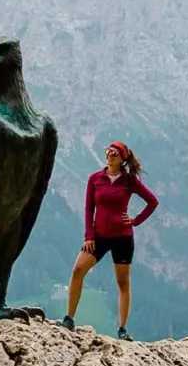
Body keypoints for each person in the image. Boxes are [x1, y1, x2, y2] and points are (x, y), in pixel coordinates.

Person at [59, 141, 159, 341]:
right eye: (108, 151)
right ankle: (69, 318)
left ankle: (122, 329)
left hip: (123, 237)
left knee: (122, 283)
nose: (109, 155)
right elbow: (89, 209)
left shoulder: (129, 180)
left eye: (114, 153)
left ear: (122, 158)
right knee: (78, 270)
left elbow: (152, 201)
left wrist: (135, 221)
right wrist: (88, 236)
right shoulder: (95, 179)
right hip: (99, 237)